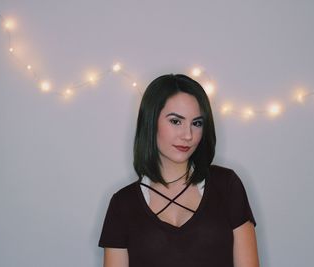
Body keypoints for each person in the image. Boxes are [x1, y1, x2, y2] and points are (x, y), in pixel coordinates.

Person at [98, 74, 259, 267]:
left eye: (197, 123)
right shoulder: (122, 205)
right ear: (151, 122)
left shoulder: (226, 185)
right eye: (176, 121)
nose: (188, 135)